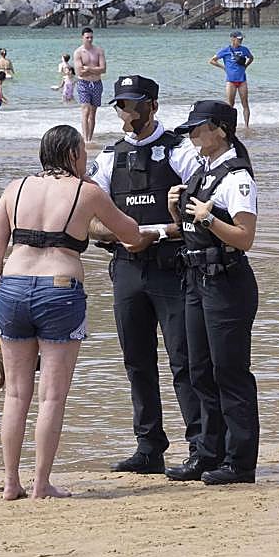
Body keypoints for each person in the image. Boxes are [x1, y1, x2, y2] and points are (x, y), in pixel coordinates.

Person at [0, 125, 143, 501]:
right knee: (51, 397)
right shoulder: (86, 191)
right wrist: (92, 196)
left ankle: (11, 482)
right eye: (83, 154)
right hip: (59, 290)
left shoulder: (14, 188)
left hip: (13, 287)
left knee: (15, 395)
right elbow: (132, 233)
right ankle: (41, 483)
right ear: (72, 155)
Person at [88, 75, 203, 478]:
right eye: (120, 104)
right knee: (136, 361)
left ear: (153, 105)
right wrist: (123, 236)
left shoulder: (180, 151)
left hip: (172, 268)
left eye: (133, 104)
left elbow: (201, 213)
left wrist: (152, 233)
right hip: (127, 270)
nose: (126, 111)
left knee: (184, 360)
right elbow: (89, 219)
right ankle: (149, 447)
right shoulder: (109, 157)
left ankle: (201, 447)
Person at [167, 100, 259, 485]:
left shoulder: (237, 177)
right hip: (196, 279)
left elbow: (245, 237)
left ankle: (240, 463)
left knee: (229, 373)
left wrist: (208, 219)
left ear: (221, 130)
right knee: (199, 369)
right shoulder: (202, 171)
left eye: (198, 127)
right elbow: (189, 231)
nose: (192, 134)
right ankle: (208, 453)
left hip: (226, 282)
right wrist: (177, 213)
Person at [210, 31, 253, 129]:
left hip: (242, 80)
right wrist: (223, 68)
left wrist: (246, 66)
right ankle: (229, 125)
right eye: (239, 39)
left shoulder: (244, 49)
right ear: (233, 39)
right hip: (231, 81)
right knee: (230, 105)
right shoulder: (226, 50)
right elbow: (212, 60)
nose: (241, 41)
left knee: (245, 103)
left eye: (241, 39)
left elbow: (251, 58)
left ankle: (246, 126)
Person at [73, 28, 106, 143]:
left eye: (91, 37)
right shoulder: (78, 52)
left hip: (97, 83)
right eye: (87, 37)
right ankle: (85, 139)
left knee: (93, 113)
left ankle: (89, 139)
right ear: (82, 37)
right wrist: (95, 70)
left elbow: (103, 69)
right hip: (83, 84)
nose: (90, 39)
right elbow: (79, 72)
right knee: (85, 110)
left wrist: (88, 68)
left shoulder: (98, 51)